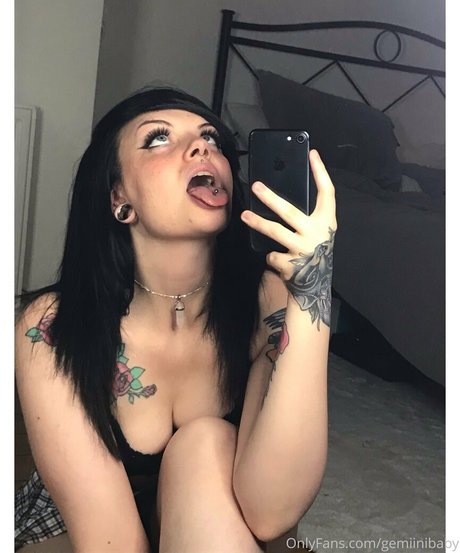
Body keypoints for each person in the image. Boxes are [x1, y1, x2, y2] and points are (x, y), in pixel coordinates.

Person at [14, 86, 337, 553]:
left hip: (218, 516)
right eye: (158, 138)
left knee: (205, 442)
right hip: (85, 533)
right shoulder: (51, 326)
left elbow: (272, 511)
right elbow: (109, 543)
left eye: (211, 138)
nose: (203, 146)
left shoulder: (266, 297)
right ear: (120, 199)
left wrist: (312, 290)